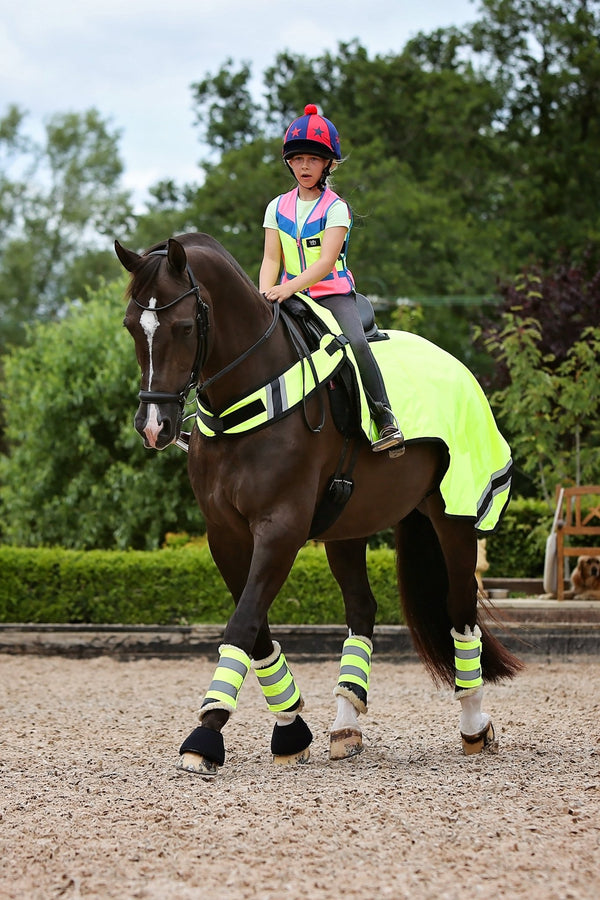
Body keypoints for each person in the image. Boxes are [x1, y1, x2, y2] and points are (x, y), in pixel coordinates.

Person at [259, 103, 404, 454]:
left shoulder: (336, 208)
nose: (304, 166)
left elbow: (325, 262)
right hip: (288, 293)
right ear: (289, 163)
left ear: (328, 163)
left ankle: (385, 418)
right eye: (297, 159)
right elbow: (270, 258)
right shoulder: (276, 207)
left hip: (332, 294)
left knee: (356, 344)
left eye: (312, 159)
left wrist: (287, 287)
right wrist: (264, 293)